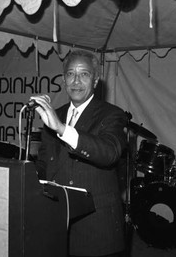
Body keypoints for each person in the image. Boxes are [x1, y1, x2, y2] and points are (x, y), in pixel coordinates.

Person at [30, 50, 128, 257]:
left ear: (95, 81)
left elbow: (109, 152)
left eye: (84, 74)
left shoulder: (112, 114)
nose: (76, 81)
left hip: (95, 226)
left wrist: (61, 129)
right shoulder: (55, 114)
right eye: (70, 74)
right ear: (64, 79)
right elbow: (45, 163)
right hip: (57, 221)